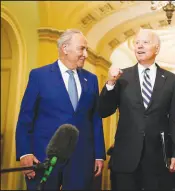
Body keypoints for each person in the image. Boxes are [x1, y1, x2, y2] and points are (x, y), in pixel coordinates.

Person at [15, 29, 106, 190]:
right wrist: (24, 153)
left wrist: (99, 154)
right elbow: (25, 119)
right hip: (44, 157)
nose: (85, 54)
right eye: (81, 48)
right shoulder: (39, 76)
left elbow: (95, 120)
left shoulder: (91, 80)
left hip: (81, 159)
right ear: (65, 48)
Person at [98, 29, 175, 190]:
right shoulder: (122, 77)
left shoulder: (172, 81)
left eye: (145, 42)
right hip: (125, 158)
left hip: (158, 159)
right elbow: (103, 111)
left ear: (157, 48)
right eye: (136, 42)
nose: (139, 46)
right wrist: (110, 83)